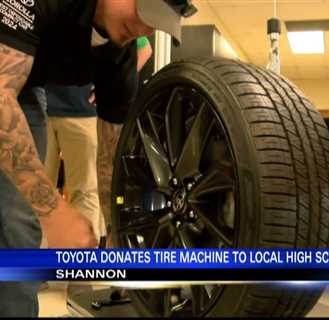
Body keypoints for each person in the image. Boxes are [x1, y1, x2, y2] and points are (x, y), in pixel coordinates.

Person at [0, 0, 195, 317]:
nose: (145, 29)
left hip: (23, 87)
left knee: (18, 223)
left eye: (155, 24)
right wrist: (55, 212)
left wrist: (118, 228)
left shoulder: (118, 57)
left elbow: (110, 156)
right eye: (145, 13)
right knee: (25, 214)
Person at [44, 37, 153, 243]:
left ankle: (83, 267)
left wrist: (112, 84)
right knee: (37, 192)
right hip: (40, 106)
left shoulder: (99, 9)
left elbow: (144, 48)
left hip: (82, 113)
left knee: (84, 192)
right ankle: (32, 266)